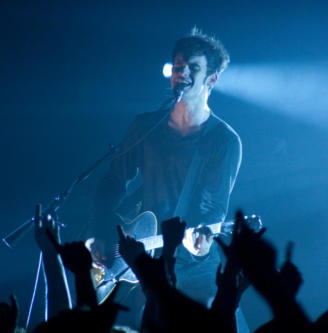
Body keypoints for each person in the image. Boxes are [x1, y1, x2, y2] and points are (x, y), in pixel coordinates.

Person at [90, 28, 242, 325]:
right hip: (145, 261)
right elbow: (112, 181)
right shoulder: (146, 126)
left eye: (193, 68)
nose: (182, 74)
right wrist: (100, 230)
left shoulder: (223, 140)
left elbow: (213, 210)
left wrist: (201, 241)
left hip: (194, 272)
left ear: (212, 78)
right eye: (178, 67)